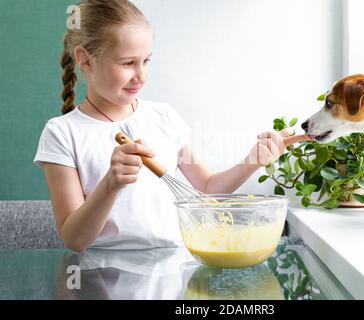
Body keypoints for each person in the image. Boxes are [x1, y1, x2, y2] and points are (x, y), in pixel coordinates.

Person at [34, 0, 311, 252]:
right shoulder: (62, 133)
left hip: (173, 268)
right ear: (85, 59)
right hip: (104, 275)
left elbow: (206, 189)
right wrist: (111, 184)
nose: (141, 75)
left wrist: (253, 160)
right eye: (128, 63)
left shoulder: (164, 117)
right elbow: (74, 239)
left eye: (146, 61)